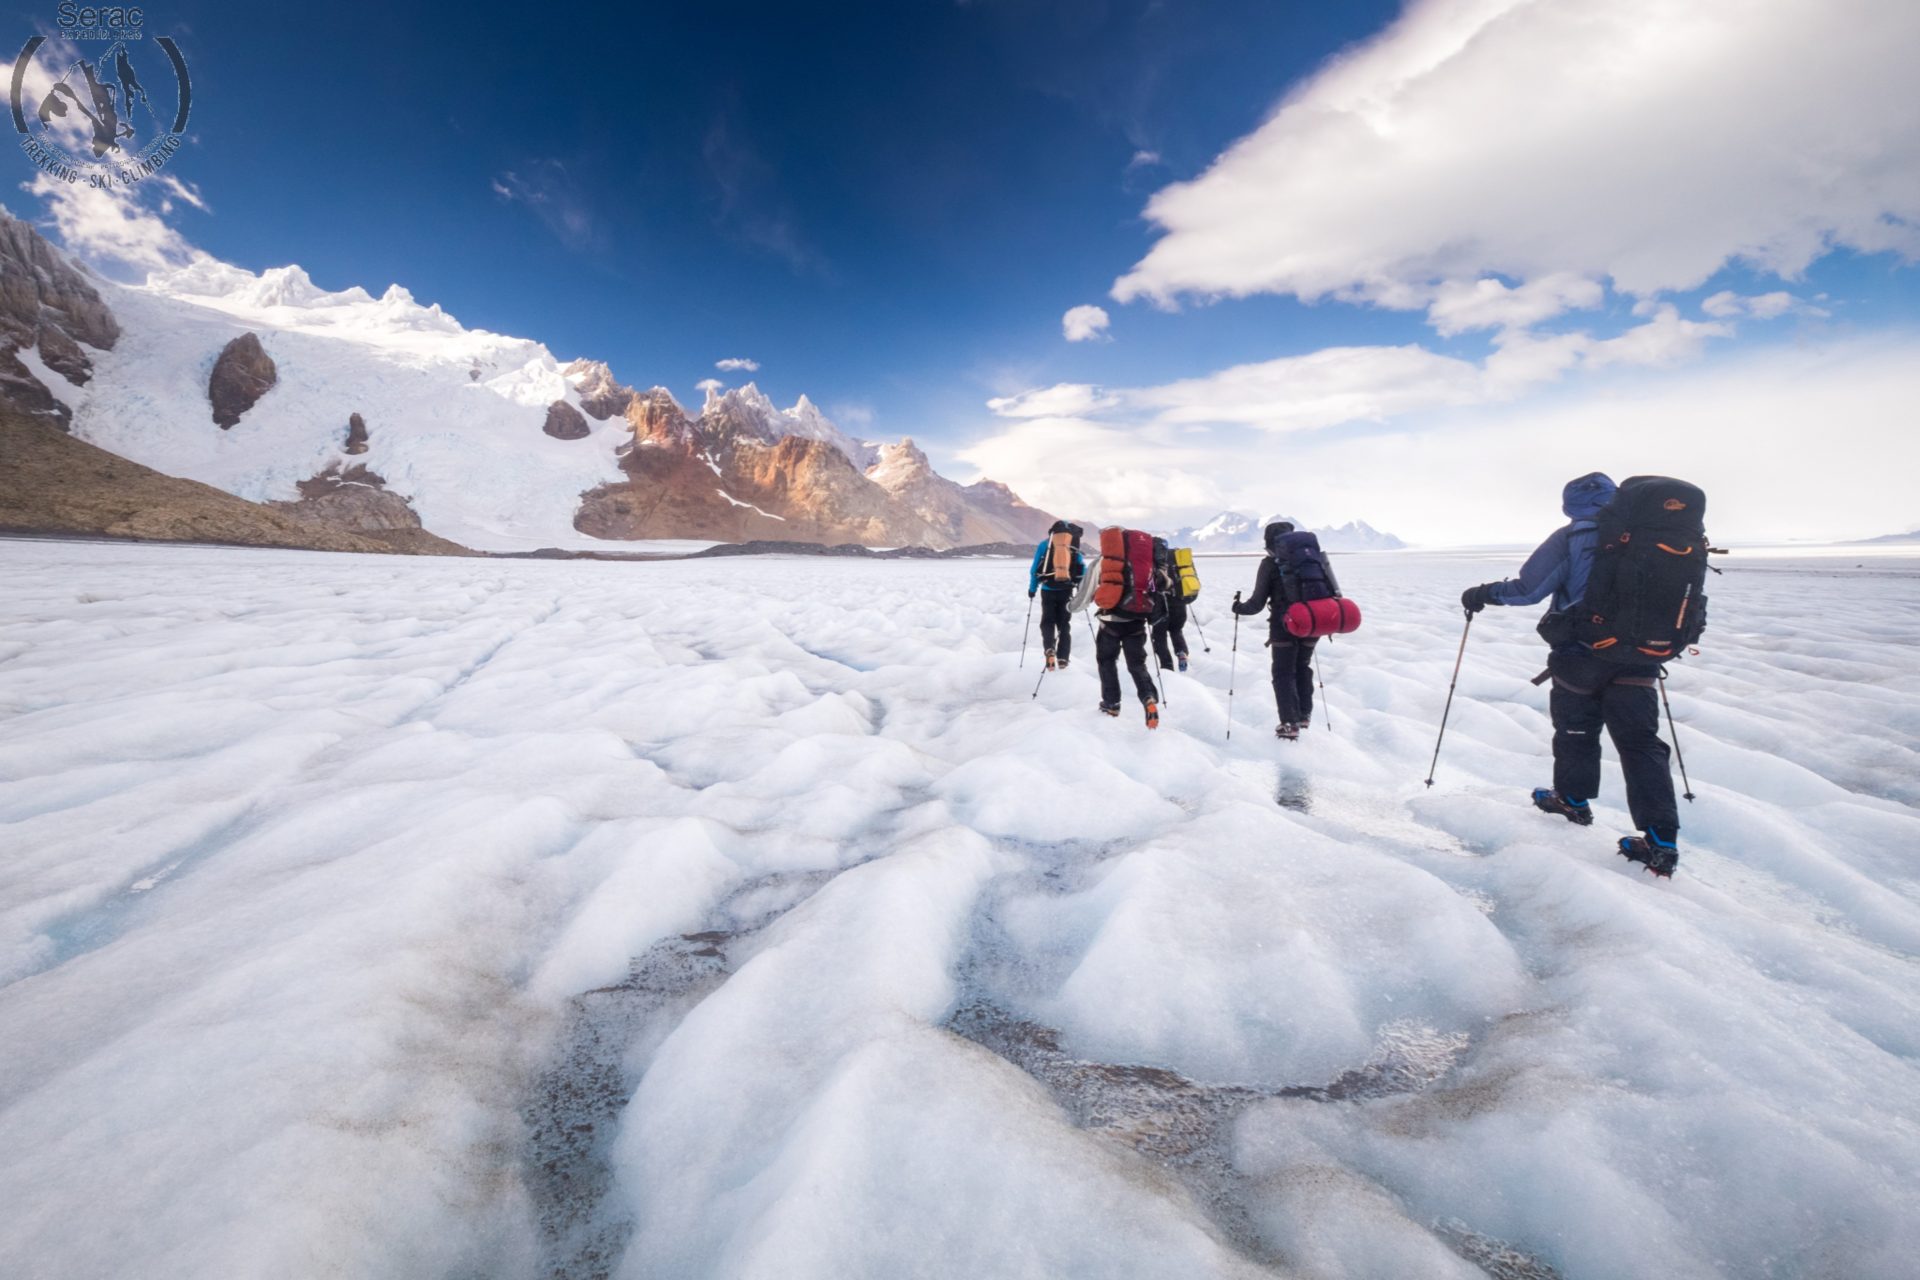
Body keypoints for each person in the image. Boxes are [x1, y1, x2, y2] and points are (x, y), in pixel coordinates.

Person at [1459, 472, 1681, 876]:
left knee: (1576, 730)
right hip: (1641, 654)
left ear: (1570, 504)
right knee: (1641, 743)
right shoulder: (1655, 533)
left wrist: (1483, 593)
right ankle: (1662, 840)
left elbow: (1528, 589)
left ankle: (1573, 802)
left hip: (1583, 653)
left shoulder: (1573, 536)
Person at [1231, 521, 1333, 740]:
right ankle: (1304, 715)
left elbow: (1257, 603)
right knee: (1302, 665)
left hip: (1284, 623)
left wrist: (1238, 608)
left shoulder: (1270, 564)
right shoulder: (1311, 558)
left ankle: (1289, 723)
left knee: (1283, 672)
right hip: (1314, 620)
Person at [1094, 529, 1161, 728]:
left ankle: (1111, 704)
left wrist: (1073, 606)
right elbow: (1159, 585)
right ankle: (1148, 698)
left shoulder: (1105, 562)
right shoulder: (1146, 564)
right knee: (1137, 665)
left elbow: (1087, 590)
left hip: (1110, 623)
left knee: (1106, 661)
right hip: (1137, 622)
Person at [1027, 520, 1086, 671]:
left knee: (1047, 622)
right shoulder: (1073, 546)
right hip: (1066, 591)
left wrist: (1032, 589)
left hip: (1047, 590)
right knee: (1064, 625)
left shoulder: (1044, 545)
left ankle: (1049, 648)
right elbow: (1082, 570)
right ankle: (1063, 659)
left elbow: (1034, 569)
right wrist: (1080, 589)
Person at [1150, 544, 1191, 673]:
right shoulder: (1179, 561)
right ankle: (1182, 652)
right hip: (1180, 604)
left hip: (1160, 605)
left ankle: (1167, 668)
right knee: (1176, 630)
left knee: (1159, 635)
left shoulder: (1153, 561)